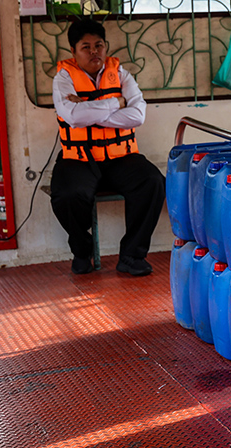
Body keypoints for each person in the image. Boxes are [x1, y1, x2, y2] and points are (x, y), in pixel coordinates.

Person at [51, 18, 165, 276]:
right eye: (86, 47)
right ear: (73, 51)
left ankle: (132, 255)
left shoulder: (121, 74)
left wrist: (88, 110)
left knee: (153, 182)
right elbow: (73, 117)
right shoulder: (63, 79)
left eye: (99, 45)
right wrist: (116, 103)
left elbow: (137, 116)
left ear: (106, 47)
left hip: (121, 157)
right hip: (79, 157)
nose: (94, 52)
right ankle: (82, 251)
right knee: (67, 195)